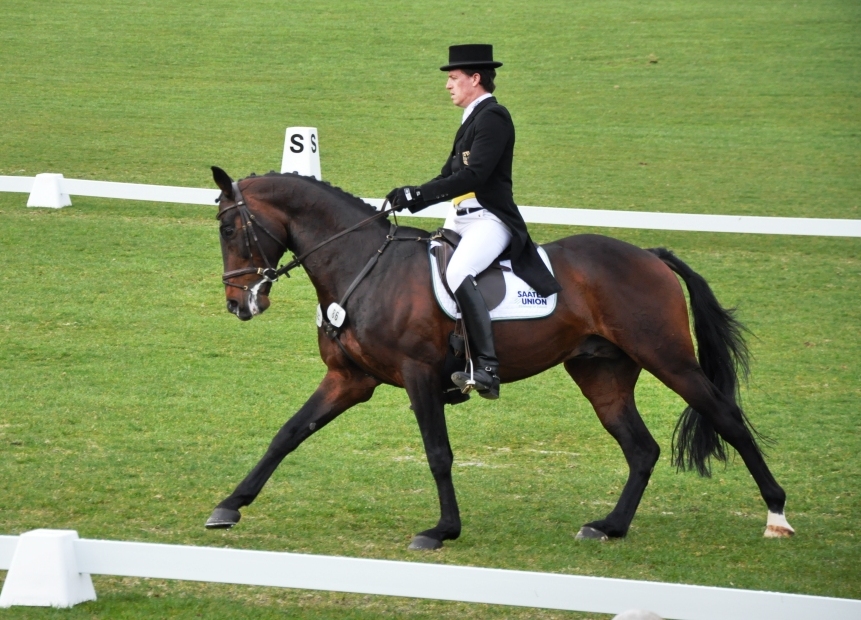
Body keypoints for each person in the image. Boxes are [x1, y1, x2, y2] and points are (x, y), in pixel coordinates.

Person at [388, 44, 561, 400]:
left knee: (457, 273)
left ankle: (486, 367)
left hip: (489, 219)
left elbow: (475, 175)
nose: (448, 85)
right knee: (427, 271)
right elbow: (446, 176)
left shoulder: (494, 117)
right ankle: (451, 362)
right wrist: (410, 197)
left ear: (475, 79)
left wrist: (419, 195)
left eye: (453, 78)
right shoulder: (470, 120)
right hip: (460, 218)